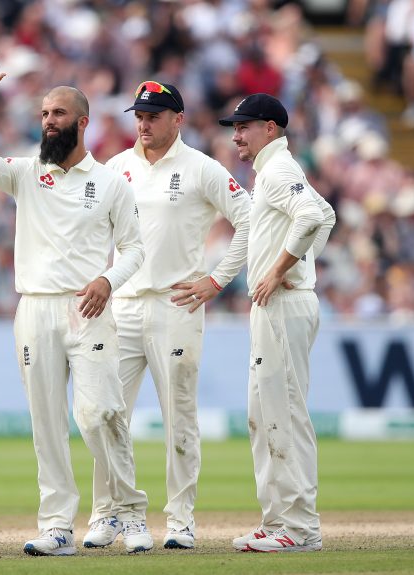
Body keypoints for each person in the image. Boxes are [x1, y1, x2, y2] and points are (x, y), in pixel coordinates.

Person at [0, 49, 151, 556]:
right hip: (35, 309)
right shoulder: (26, 173)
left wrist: (109, 280)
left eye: (58, 114)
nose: (48, 121)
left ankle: (130, 513)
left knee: (100, 413)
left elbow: (135, 249)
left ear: (81, 122)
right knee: (46, 421)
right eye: (44, 114)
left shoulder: (111, 182)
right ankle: (57, 525)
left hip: (87, 309)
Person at [89, 81, 251, 550]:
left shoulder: (202, 168)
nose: (143, 124)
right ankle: (110, 512)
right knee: (104, 413)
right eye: (139, 115)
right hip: (122, 304)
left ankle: (180, 521)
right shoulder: (116, 167)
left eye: (154, 115)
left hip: (176, 304)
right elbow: (91, 231)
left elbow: (250, 218)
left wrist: (217, 279)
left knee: (179, 416)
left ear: (177, 119)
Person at [219, 94, 335, 552]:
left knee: (285, 413)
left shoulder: (280, 169)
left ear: (270, 128)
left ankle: (301, 529)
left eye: (244, 126)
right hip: (276, 307)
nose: (236, 135)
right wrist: (301, 263)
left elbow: (310, 216)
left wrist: (280, 271)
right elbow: (325, 214)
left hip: (283, 305)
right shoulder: (272, 171)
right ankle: (276, 519)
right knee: (262, 415)